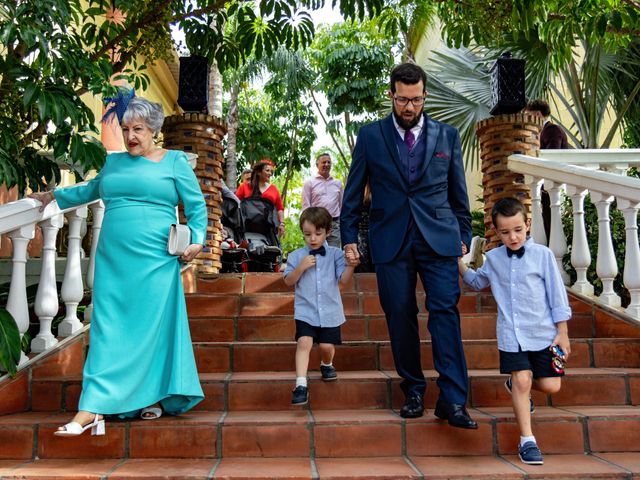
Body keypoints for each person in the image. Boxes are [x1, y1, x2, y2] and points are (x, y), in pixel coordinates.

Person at [29, 91, 206, 436]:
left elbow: (197, 207)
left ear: (153, 129)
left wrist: (197, 240)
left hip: (156, 261)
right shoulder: (114, 162)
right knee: (108, 330)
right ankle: (91, 408)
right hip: (113, 260)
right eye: (126, 130)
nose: (130, 137)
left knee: (151, 333)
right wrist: (53, 196)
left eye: (138, 129)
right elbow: (92, 189)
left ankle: (149, 397)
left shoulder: (174, 163)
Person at [341, 62, 477, 428]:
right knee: (399, 315)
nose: (409, 107)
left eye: (415, 100)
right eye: (402, 99)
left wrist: (463, 234)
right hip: (391, 240)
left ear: (424, 96)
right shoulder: (370, 136)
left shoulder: (447, 136)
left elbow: (458, 194)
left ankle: (453, 399)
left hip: (439, 238)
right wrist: (349, 238)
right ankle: (414, 390)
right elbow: (353, 193)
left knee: (445, 313)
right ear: (391, 95)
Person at [458, 197, 571, 465]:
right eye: (506, 232)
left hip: (544, 335)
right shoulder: (494, 259)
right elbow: (476, 282)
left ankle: (515, 385)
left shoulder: (542, 255)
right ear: (496, 232)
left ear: (527, 225)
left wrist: (562, 332)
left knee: (551, 386)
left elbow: (557, 295)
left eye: (518, 230)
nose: (513, 237)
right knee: (522, 379)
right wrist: (459, 264)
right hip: (512, 335)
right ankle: (527, 440)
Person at [283, 207, 358, 405]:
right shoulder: (296, 256)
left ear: (327, 232)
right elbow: (288, 281)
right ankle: (300, 385)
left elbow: (343, 281)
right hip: (305, 311)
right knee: (304, 343)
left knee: (326, 346)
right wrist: (300, 268)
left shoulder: (335, 254)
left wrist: (351, 265)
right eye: (308, 234)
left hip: (330, 311)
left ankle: (327, 363)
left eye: (318, 233)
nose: (313, 239)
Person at [524, 99, 570, 242]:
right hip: (545, 187)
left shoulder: (552, 130)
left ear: (537, 114)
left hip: (552, 186)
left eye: (528, 115)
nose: (526, 119)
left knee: (551, 225)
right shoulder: (542, 132)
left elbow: (552, 156)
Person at [302, 153, 344, 247]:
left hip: (334, 224)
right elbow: (306, 206)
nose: (326, 164)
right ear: (317, 165)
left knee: (334, 252)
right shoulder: (309, 183)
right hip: (315, 223)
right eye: (323, 162)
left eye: (329, 162)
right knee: (316, 253)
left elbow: (341, 205)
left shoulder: (337, 183)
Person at [236, 159, 285, 237]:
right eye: (267, 171)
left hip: (268, 230)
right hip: (247, 228)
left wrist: (282, 224)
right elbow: (236, 203)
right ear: (259, 172)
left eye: (271, 171)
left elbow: (280, 208)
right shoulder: (244, 187)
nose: (270, 173)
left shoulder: (273, 189)